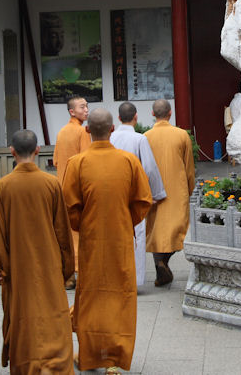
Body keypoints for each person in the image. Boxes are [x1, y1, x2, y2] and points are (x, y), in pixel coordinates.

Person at [62, 108, 153, 374]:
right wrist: (124, 221)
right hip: (121, 241)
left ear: (87, 130)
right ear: (112, 130)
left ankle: (91, 355)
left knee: (91, 296)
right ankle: (113, 359)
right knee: (120, 296)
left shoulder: (77, 163)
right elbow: (143, 201)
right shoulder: (128, 161)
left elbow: (69, 209)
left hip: (91, 243)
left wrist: (88, 224)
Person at [0, 129, 75, 375]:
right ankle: (55, 365)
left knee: (23, 317)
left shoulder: (3, 187)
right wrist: (66, 267)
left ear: (12, 152)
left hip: (19, 268)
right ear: (38, 150)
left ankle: (27, 365)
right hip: (49, 267)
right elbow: (63, 233)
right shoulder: (51, 184)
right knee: (53, 316)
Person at [110, 101, 167, 287]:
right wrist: (156, 193)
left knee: (114, 236)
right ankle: (135, 280)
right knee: (137, 235)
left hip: (111, 194)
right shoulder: (139, 139)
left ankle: (115, 278)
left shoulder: (108, 138)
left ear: (118, 118)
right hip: (133, 194)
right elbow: (149, 169)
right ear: (135, 117)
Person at [143, 98, 195, 287]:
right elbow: (189, 165)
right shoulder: (181, 135)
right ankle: (163, 262)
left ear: (152, 114)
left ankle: (160, 264)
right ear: (170, 113)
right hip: (177, 188)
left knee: (157, 230)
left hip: (154, 191)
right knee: (178, 229)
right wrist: (191, 188)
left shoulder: (146, 136)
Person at [53, 95, 90, 289]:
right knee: (78, 233)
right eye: (82, 107)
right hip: (78, 189)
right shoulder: (82, 131)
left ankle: (67, 276)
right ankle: (78, 272)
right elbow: (87, 161)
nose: (86, 110)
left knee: (64, 234)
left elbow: (57, 161)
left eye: (86, 107)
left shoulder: (61, 132)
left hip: (61, 189)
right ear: (72, 111)